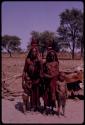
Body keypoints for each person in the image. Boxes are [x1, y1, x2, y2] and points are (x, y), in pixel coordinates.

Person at [22, 39, 43, 113]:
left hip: (37, 79)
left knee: (37, 93)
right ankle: (32, 106)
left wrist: (40, 62)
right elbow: (24, 70)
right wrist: (23, 82)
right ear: (30, 52)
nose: (34, 53)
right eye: (32, 51)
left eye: (35, 51)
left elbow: (41, 70)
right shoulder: (28, 60)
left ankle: (38, 106)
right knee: (32, 94)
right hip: (30, 80)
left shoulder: (39, 59)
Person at [43, 49, 59, 114]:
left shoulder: (56, 63)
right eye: (50, 56)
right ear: (48, 56)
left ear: (55, 56)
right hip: (47, 81)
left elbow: (58, 72)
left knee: (53, 94)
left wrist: (52, 76)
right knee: (46, 94)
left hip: (54, 81)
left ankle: (52, 108)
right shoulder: (46, 63)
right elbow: (43, 72)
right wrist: (47, 76)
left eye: (53, 56)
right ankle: (45, 108)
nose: (52, 57)